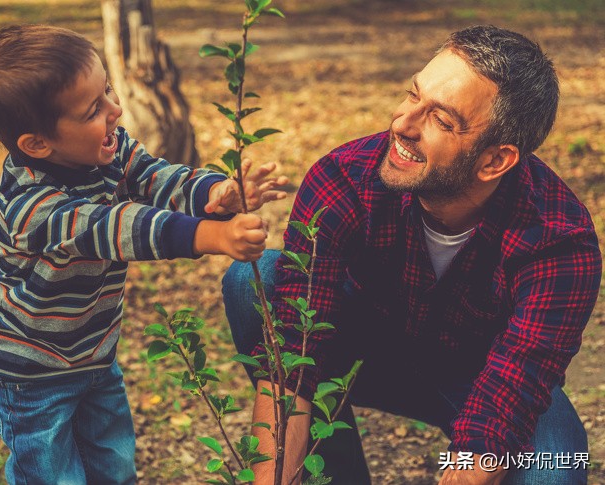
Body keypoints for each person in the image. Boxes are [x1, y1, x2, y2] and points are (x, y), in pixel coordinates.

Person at [223, 25, 601, 485]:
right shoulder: (344, 180)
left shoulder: (560, 240)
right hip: (366, 351)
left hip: (483, 374)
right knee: (254, 279)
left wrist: (471, 464)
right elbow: (295, 353)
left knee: (558, 465)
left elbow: (514, 387)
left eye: (442, 120)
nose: (402, 123)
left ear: (494, 161)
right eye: (413, 95)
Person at [0, 24, 287, 485]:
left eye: (109, 91)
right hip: (28, 372)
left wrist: (217, 192)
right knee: (55, 477)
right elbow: (120, 227)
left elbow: (158, 178)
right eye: (93, 109)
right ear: (37, 144)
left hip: (93, 355)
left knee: (114, 467)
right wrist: (213, 236)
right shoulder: (33, 209)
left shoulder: (109, 151)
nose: (116, 110)